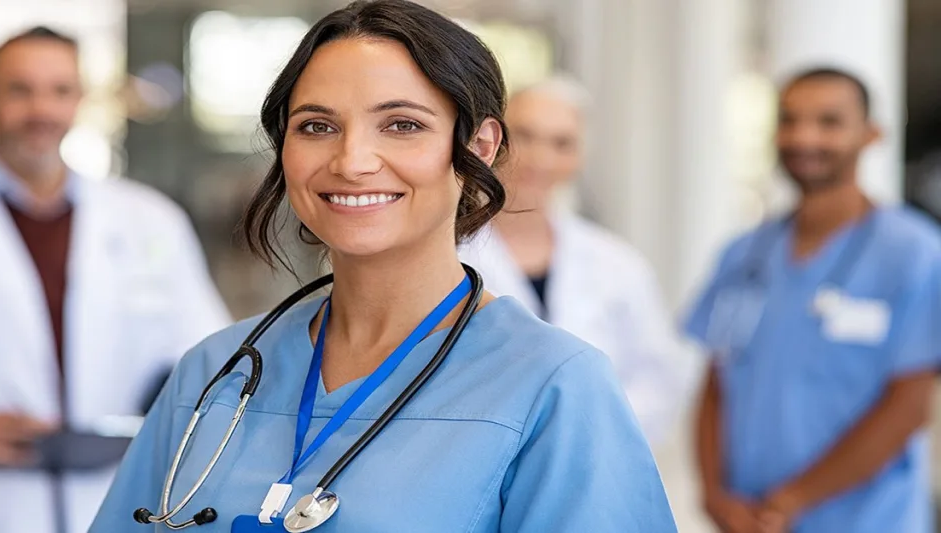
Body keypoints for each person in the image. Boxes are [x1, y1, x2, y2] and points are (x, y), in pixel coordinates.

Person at [89, 1, 677, 531]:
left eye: (403, 125)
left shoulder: (556, 387)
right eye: (317, 126)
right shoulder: (216, 374)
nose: (352, 161)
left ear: (479, 146)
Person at [0, 27, 231, 533]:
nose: (41, 110)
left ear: (80, 101)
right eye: (20, 89)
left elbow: (207, 353)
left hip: (116, 497)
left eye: (60, 90)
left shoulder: (149, 220)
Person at [685, 67, 941, 533]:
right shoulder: (744, 255)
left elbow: (909, 407)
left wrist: (790, 502)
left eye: (829, 122)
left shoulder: (915, 255)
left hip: (867, 521)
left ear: (871, 135)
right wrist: (714, 495)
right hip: (748, 521)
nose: (804, 137)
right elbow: (716, 385)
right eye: (789, 120)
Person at [459, 75, 688, 446]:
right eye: (525, 135)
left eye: (561, 143)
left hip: (596, 456)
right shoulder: (449, 254)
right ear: (492, 140)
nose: (541, 158)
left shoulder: (617, 263)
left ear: (579, 156)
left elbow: (657, 377)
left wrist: (592, 435)